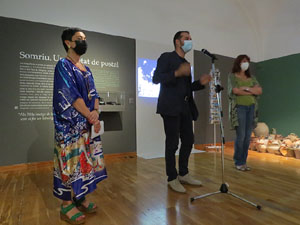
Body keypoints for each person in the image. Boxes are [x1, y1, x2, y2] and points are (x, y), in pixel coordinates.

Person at [53, 28, 107, 224]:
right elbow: (69, 94)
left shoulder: (87, 68)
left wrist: (95, 113)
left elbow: (94, 93)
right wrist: (90, 115)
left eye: (85, 38)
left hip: (86, 125)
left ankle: (80, 196)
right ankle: (66, 204)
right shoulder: (63, 65)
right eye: (79, 39)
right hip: (69, 127)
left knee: (85, 162)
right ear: (68, 43)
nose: (84, 41)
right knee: (69, 163)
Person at [152, 31, 211, 193]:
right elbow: (156, 78)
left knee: (188, 140)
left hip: (185, 107)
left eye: (191, 38)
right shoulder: (167, 57)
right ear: (177, 42)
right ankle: (172, 177)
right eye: (187, 38)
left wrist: (200, 83)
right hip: (170, 107)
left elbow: (187, 88)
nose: (190, 40)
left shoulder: (185, 62)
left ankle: (183, 173)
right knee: (172, 144)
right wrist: (177, 73)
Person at [228, 55, 262, 171]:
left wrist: (246, 89)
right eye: (244, 61)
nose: (246, 63)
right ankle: (238, 161)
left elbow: (259, 90)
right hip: (240, 108)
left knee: (248, 137)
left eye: (247, 61)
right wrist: (251, 91)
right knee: (241, 136)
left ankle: (244, 162)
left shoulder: (252, 77)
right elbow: (235, 91)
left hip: (251, 108)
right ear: (238, 63)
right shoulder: (233, 76)